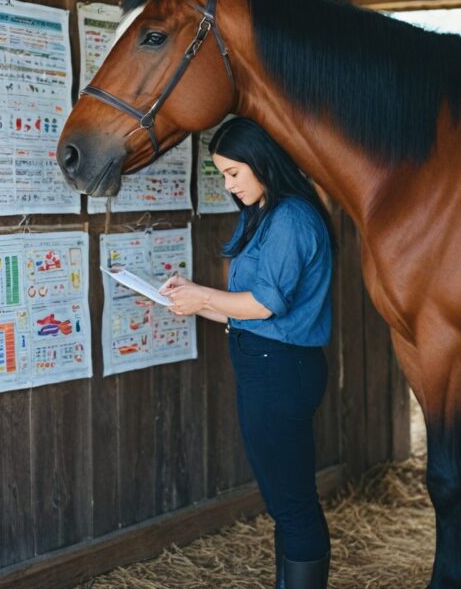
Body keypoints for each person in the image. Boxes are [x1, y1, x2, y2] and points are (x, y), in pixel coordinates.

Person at [159, 117, 334, 589]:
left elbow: (265, 304)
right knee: (283, 500)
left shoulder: (292, 218)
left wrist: (204, 298)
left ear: (263, 162)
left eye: (234, 172)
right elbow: (246, 312)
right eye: (222, 175)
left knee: (292, 503)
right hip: (265, 363)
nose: (229, 185)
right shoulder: (265, 216)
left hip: (280, 369)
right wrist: (193, 298)